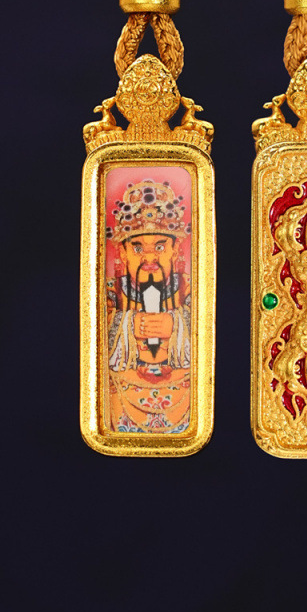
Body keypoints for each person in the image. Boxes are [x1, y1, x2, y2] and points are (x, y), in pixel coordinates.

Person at [104, 178, 192, 432]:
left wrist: (176, 324)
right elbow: (92, 337)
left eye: (160, 246)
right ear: (122, 253)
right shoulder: (111, 292)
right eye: (137, 248)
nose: (150, 257)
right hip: (122, 393)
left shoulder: (189, 288)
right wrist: (127, 325)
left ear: (175, 249)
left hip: (184, 394)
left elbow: (210, 331)